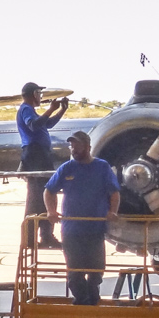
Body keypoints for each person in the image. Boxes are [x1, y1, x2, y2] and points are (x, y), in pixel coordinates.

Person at [45, 131, 121, 305]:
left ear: (88, 146)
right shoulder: (67, 168)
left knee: (96, 270)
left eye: (77, 145)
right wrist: (51, 211)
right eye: (71, 146)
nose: (73, 149)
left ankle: (92, 297)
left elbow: (114, 192)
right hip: (71, 230)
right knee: (74, 271)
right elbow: (49, 190)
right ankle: (82, 299)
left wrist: (113, 211)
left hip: (95, 229)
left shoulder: (102, 167)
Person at [18, 82, 69, 249]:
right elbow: (34, 125)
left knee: (46, 192)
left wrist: (61, 110)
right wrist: (51, 109)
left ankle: (46, 235)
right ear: (34, 93)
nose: (41, 97)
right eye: (40, 93)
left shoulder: (31, 111)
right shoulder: (26, 109)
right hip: (35, 155)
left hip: (40, 155)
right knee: (37, 196)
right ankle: (32, 237)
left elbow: (47, 124)